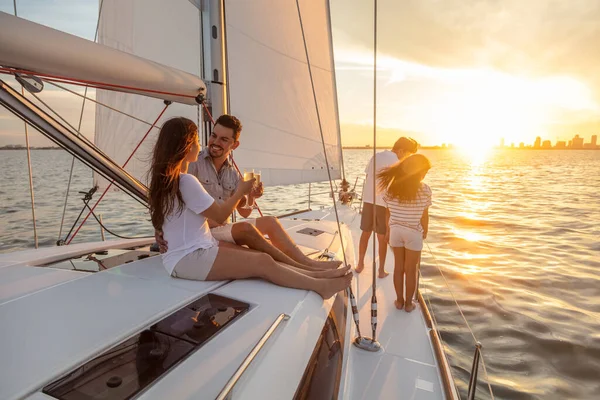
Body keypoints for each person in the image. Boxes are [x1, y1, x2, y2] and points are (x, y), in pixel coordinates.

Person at [148, 117, 352, 299]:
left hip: (196, 248)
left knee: (261, 257)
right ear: (186, 146)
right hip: (189, 256)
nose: (205, 143)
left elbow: (167, 214)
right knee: (262, 261)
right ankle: (319, 285)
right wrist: (239, 192)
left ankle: (313, 272)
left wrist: (249, 196)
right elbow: (219, 216)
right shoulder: (187, 179)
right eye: (198, 140)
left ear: (233, 145)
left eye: (223, 139)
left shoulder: (169, 179)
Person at [355, 137, 418, 277]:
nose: (407, 158)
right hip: (383, 204)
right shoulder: (397, 162)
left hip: (368, 200)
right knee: (382, 237)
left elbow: (367, 176)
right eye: (407, 154)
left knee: (365, 233)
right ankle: (381, 270)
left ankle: (360, 264)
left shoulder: (376, 156)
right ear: (401, 150)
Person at [377, 154, 431, 312]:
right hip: (413, 232)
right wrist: (425, 230)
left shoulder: (392, 188)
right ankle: (408, 304)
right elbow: (424, 215)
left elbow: (388, 213)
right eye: (424, 172)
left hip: (395, 232)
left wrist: (388, 230)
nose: (425, 175)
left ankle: (399, 301)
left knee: (398, 268)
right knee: (411, 270)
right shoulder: (425, 189)